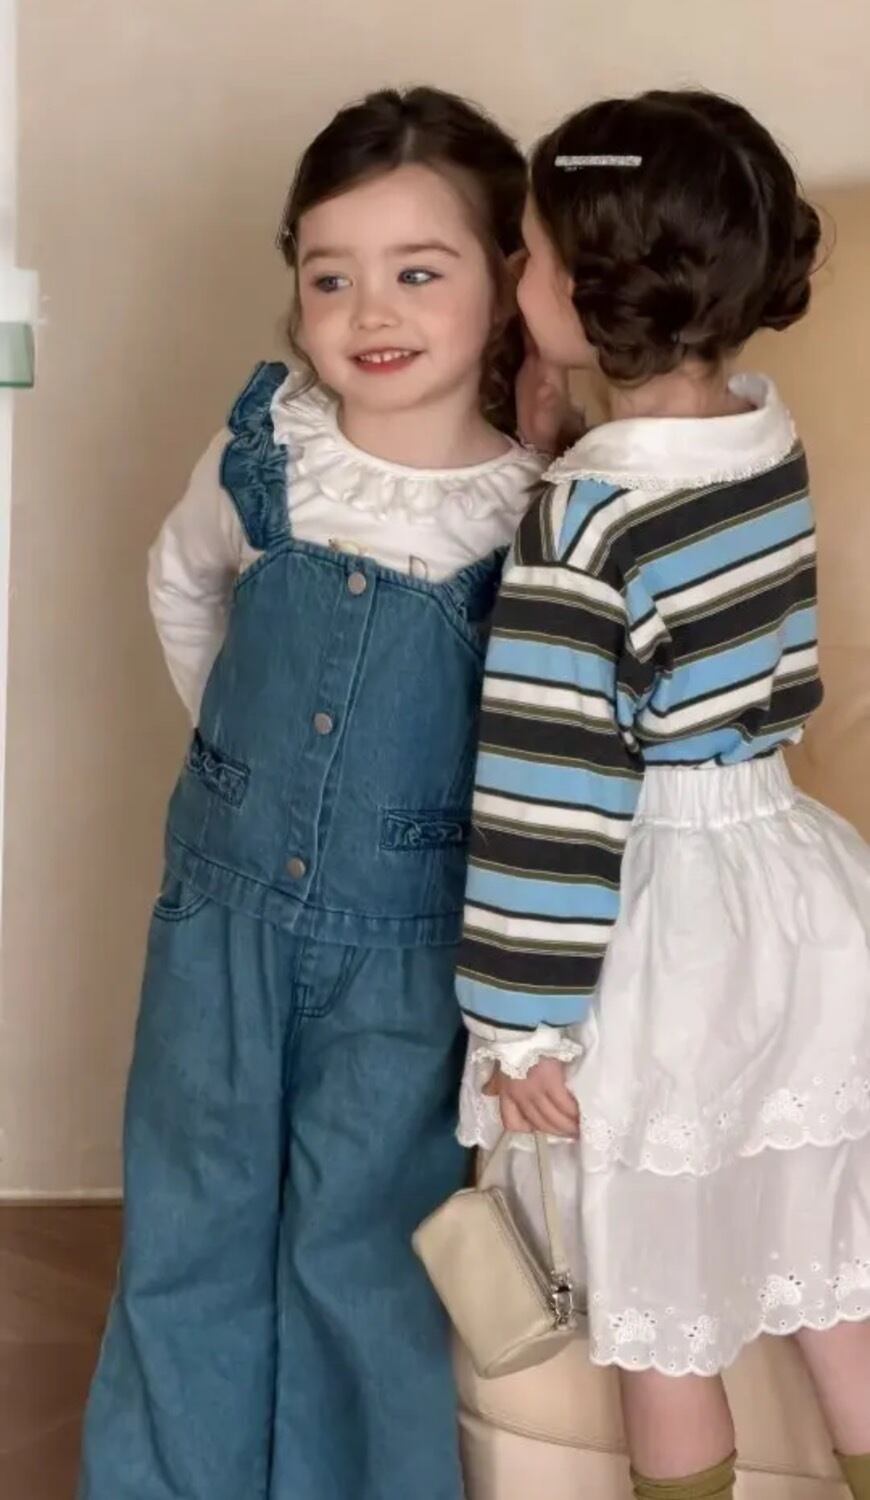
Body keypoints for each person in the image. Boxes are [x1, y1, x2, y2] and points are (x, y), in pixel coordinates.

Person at [79, 85, 543, 1500]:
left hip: (415, 947)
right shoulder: (268, 454)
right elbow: (182, 588)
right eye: (330, 276)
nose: (370, 310)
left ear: (507, 279)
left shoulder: (529, 508)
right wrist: (245, 768)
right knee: (191, 1220)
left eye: (419, 271)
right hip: (219, 918)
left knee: (366, 1250)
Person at [458, 90, 870, 1500]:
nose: (511, 274)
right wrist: (568, 434)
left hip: (669, 930)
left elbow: (550, 798)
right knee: (830, 1269)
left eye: (523, 251)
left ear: (591, 287)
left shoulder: (576, 525)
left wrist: (518, 1028)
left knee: (660, 1314)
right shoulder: (761, 432)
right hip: (797, 895)